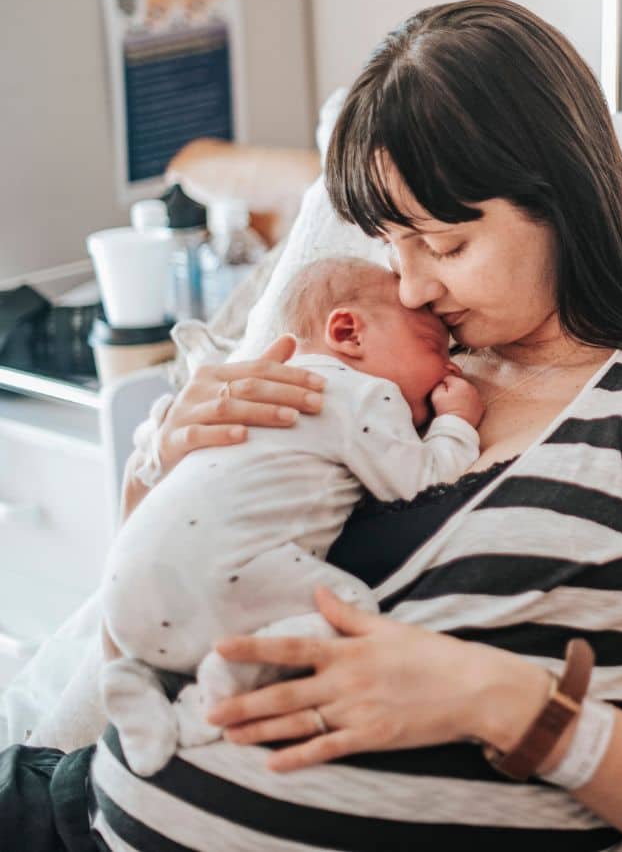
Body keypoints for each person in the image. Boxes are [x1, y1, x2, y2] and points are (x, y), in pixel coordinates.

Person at [3, 0, 622, 852]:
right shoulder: (372, 368)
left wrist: (499, 701)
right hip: (66, 813)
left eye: (446, 245)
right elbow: (139, 647)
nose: (412, 289)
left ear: (564, 200)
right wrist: (159, 483)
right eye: (390, 244)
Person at [98, 257, 487, 777]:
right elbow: (422, 484)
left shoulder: (251, 393)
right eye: (435, 346)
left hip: (126, 596)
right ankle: (213, 698)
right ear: (347, 332)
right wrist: (457, 423)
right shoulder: (363, 393)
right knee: (349, 610)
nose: (450, 367)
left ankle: (135, 679)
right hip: (220, 581)